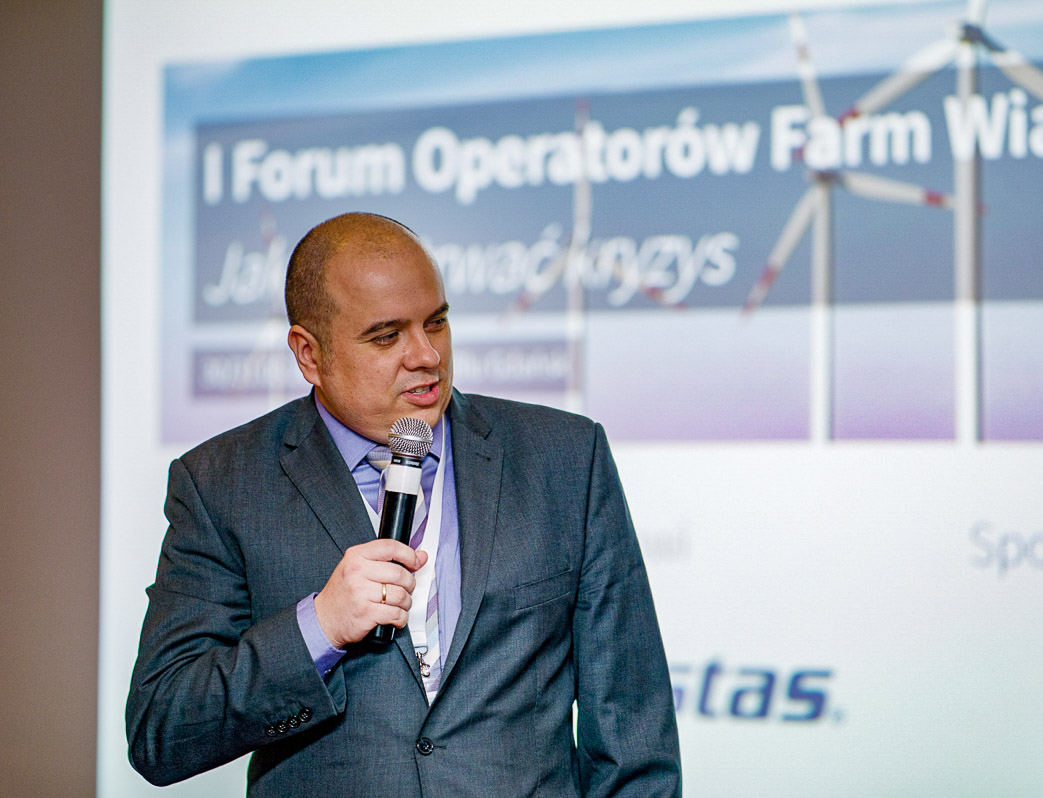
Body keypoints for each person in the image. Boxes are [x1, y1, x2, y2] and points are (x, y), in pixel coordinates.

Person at [126, 212, 682, 796]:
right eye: (386, 336)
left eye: (436, 323)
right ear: (309, 354)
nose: (426, 356)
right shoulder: (221, 483)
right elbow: (161, 731)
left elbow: (633, 737)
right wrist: (320, 627)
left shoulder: (564, 457)